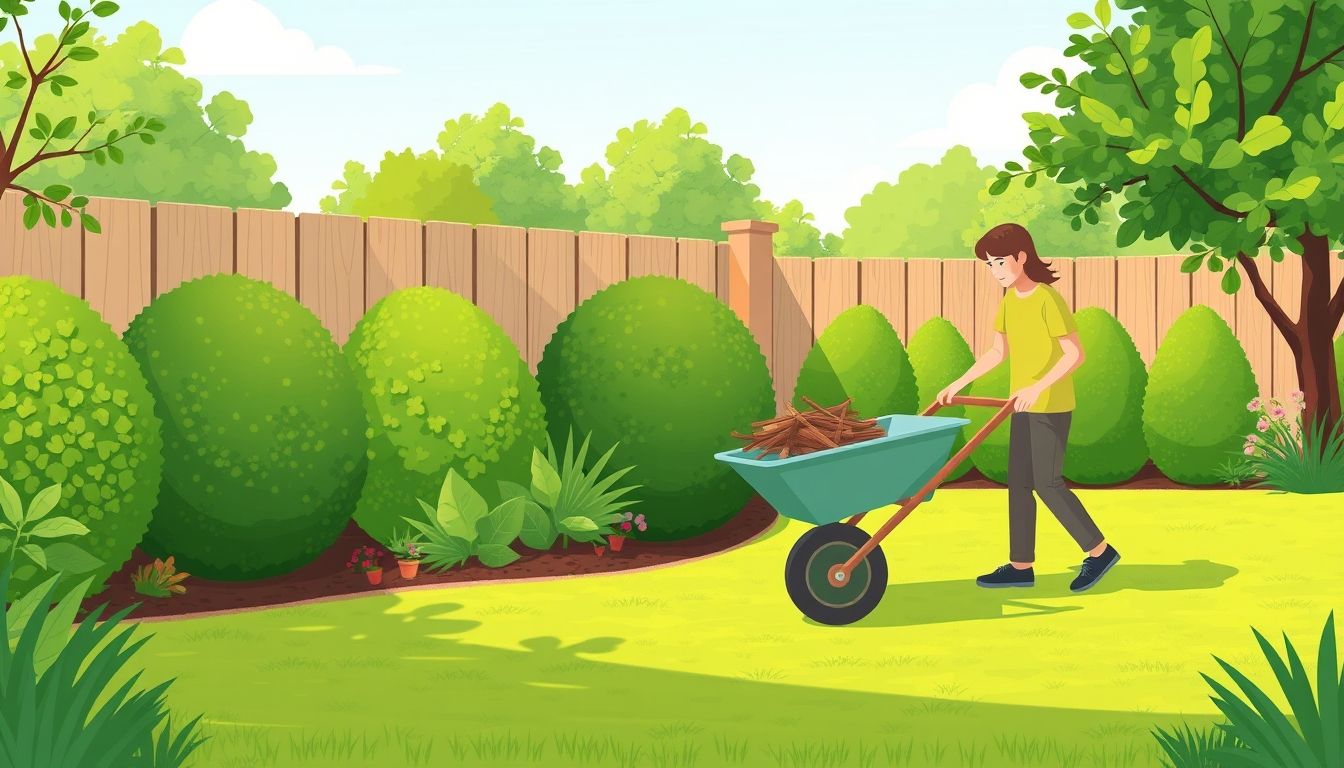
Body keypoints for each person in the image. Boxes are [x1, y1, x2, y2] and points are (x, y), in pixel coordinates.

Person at [935, 223, 1120, 593]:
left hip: (1050, 405)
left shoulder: (1047, 299)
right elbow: (996, 353)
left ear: (1021, 257)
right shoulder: (1009, 303)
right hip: (1020, 406)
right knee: (1018, 484)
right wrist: (958, 383)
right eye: (989, 264)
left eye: (1000, 261)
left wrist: (1037, 386)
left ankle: (1100, 551)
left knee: (1047, 484)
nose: (995, 271)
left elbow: (1075, 354)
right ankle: (1021, 565)